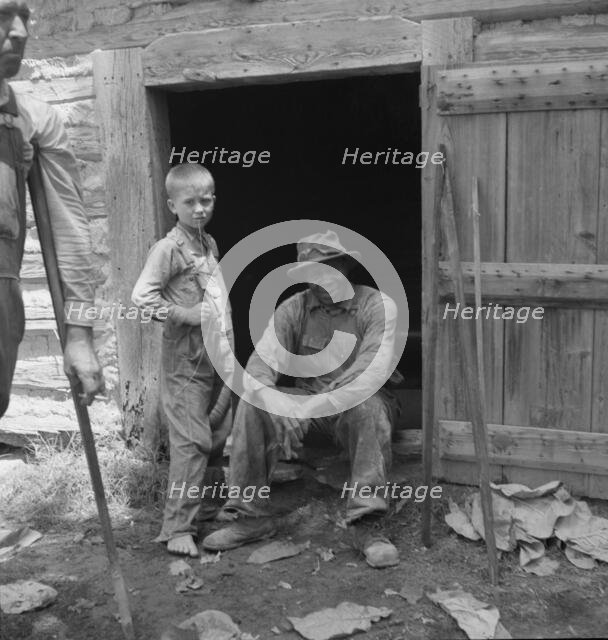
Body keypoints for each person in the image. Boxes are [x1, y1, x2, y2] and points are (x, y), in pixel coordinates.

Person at [203, 230, 402, 568]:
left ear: (346, 267)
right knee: (254, 401)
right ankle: (250, 516)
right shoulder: (294, 308)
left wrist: (305, 408)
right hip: (309, 406)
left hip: (360, 405)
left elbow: (368, 372)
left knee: (368, 408)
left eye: (327, 268)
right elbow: (258, 367)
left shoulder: (378, 306)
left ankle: (366, 524)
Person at [0, 0, 104, 418]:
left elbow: (70, 232)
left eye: (25, 16)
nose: (22, 31)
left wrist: (78, 334)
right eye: (4, 15)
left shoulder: (33, 121)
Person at [132, 163, 233, 558]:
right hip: (185, 363)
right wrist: (185, 314)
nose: (199, 209)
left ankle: (200, 506)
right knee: (192, 442)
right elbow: (142, 298)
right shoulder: (167, 249)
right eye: (189, 202)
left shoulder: (208, 244)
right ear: (172, 204)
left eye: (206, 200)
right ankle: (177, 529)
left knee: (217, 435)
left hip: (216, 357)